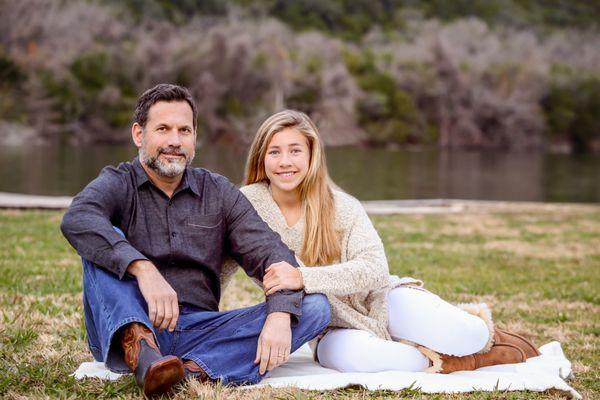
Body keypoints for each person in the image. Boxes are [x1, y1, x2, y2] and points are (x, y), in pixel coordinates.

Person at [61, 85, 331, 396]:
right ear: (139, 134)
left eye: (184, 131)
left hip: (200, 329)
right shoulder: (118, 182)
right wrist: (142, 268)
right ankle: (143, 349)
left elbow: (270, 252)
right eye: (163, 129)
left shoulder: (218, 192)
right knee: (103, 241)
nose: (175, 141)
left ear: (194, 138)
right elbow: (78, 218)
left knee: (315, 307)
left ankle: (189, 371)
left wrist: (281, 312)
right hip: (128, 319)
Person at [221, 109, 540, 373]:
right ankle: (454, 361)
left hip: (381, 300)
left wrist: (302, 276)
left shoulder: (339, 204)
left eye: (295, 150)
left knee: (467, 334)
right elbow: (219, 263)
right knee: (366, 360)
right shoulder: (245, 204)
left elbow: (374, 269)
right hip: (329, 328)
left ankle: (484, 339)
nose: (284, 161)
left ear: (312, 155)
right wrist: (196, 319)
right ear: (261, 158)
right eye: (274, 152)